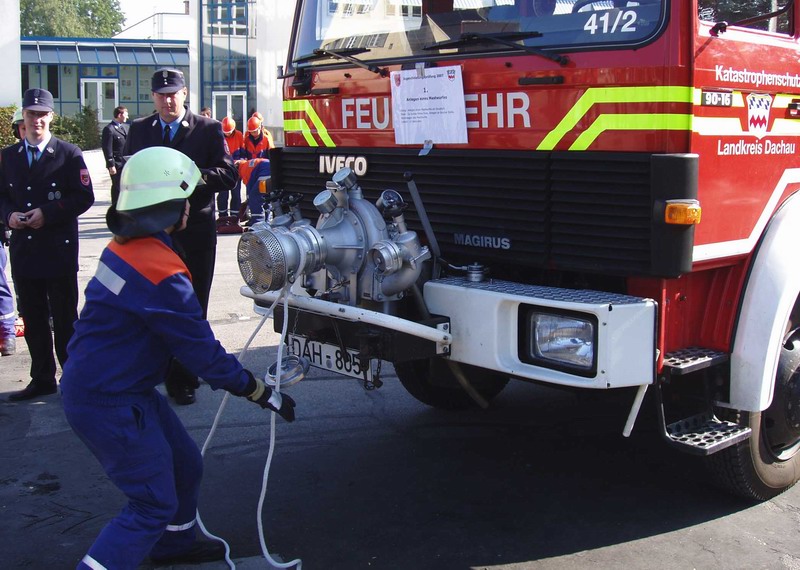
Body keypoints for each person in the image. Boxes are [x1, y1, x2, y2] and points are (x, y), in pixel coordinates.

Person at [60, 146, 297, 570]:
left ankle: (174, 545)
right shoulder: (160, 272)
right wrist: (259, 391)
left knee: (184, 465)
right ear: (169, 206)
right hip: (107, 400)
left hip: (116, 388)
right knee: (151, 503)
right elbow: (201, 354)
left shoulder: (126, 246)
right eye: (186, 198)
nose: (191, 206)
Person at [123, 68, 238, 405]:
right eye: (161, 95)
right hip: (152, 234)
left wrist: (191, 178)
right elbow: (128, 176)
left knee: (190, 308)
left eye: (172, 93)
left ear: (184, 94)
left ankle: (184, 377)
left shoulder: (208, 129)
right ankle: (154, 370)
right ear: (153, 97)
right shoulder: (140, 129)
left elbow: (228, 173)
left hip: (195, 233)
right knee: (152, 306)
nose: (167, 100)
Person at [0, 89, 94, 401]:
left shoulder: (68, 153)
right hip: (25, 250)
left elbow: (83, 197)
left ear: (51, 116)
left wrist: (48, 213)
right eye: (31, 114)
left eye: (42, 114)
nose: (36, 120)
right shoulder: (8, 157)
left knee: (66, 318)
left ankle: (75, 377)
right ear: (22, 119)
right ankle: (41, 378)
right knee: (34, 318)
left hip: (57, 248)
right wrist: (9, 215)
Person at [216, 116, 244, 218]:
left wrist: (240, 161)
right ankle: (222, 216)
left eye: (229, 132)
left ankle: (234, 216)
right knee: (223, 194)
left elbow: (243, 151)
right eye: (225, 132)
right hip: (223, 169)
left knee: (236, 194)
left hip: (236, 170)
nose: (227, 134)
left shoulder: (239, 135)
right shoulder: (218, 135)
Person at [101, 106, 129, 205]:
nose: (128, 117)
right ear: (119, 115)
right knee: (117, 186)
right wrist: (110, 164)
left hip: (126, 163)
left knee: (125, 186)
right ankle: (116, 207)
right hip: (116, 164)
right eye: (126, 114)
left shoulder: (126, 127)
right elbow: (107, 148)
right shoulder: (109, 129)